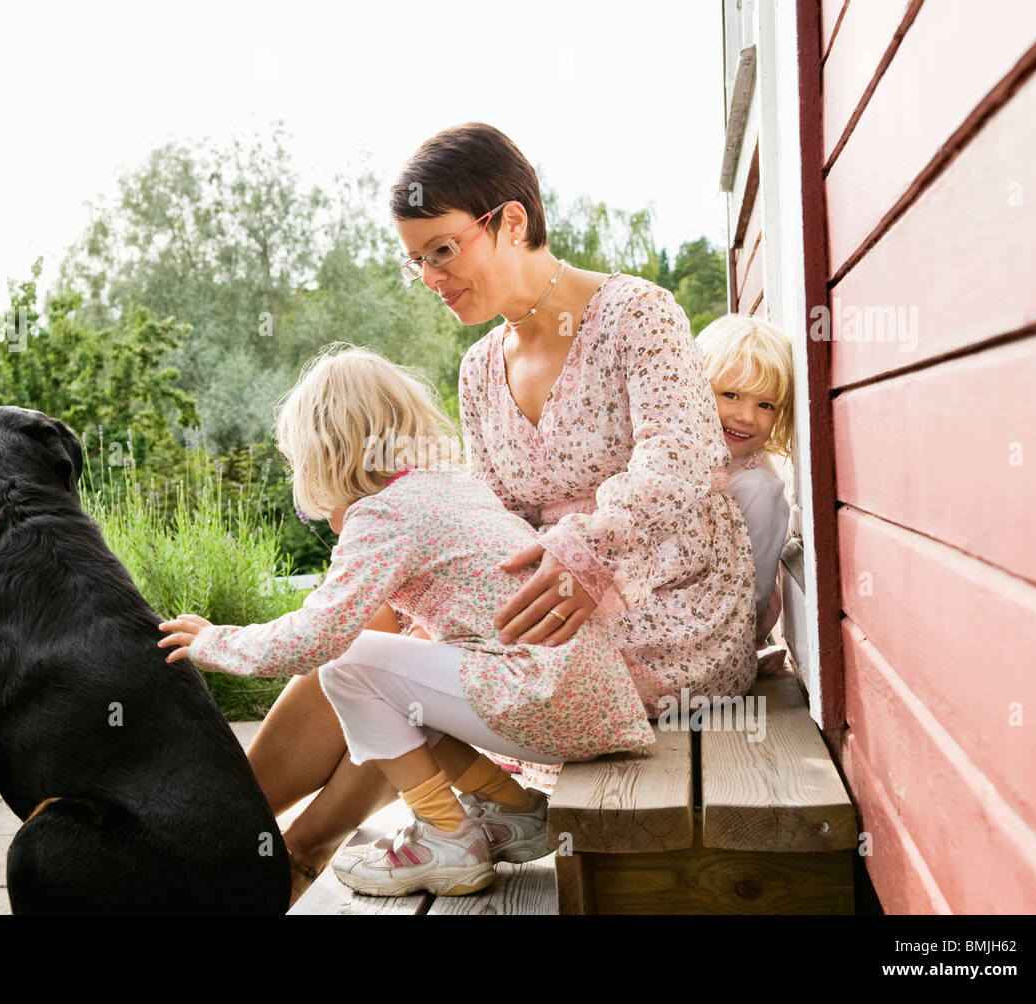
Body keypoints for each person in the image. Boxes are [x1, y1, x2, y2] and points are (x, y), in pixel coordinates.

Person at [232, 122, 756, 901]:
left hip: (667, 606)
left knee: (381, 659)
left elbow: (682, 459)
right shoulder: (480, 368)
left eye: (442, 249)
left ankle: (281, 852)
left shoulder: (637, 313)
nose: (430, 276)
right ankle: (234, 829)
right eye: (416, 261)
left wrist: (586, 551)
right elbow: (491, 516)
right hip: (544, 604)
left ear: (510, 221)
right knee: (372, 627)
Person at [159, 345, 654, 897]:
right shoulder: (455, 488)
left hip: (545, 698)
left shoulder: (384, 512)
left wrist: (216, 642)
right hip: (586, 700)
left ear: (324, 451)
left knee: (349, 665)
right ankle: (512, 807)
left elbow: (317, 638)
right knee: (397, 689)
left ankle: (447, 837)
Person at [696, 313, 794, 673]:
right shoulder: (690, 458)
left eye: (765, 404)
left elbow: (755, 589)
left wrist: (736, 645)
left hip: (721, 628)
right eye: (731, 395)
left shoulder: (755, 487)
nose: (747, 416)